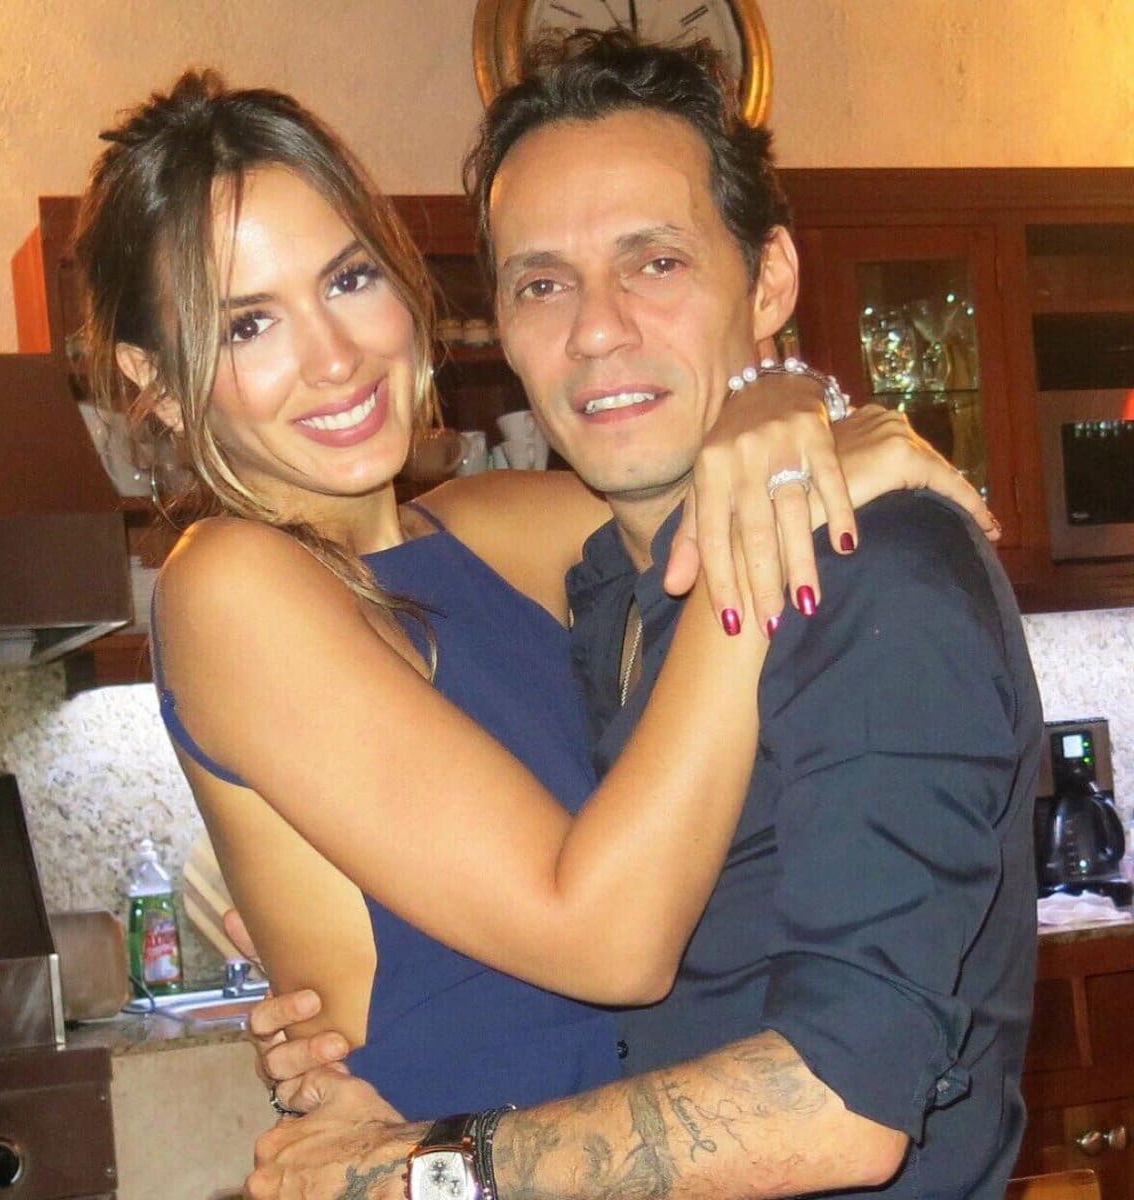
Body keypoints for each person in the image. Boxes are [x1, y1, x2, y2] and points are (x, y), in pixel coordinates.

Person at [76, 69, 989, 1123]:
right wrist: (760, 515)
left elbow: (689, 472)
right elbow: (608, 942)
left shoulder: (488, 529)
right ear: (155, 379)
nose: (333, 357)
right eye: (247, 326)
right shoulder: (229, 585)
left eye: (348, 279)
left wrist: (779, 397)